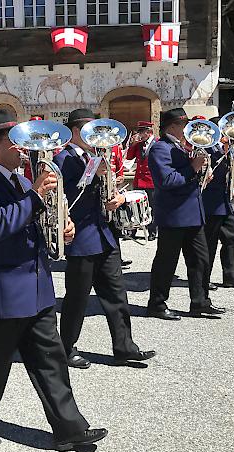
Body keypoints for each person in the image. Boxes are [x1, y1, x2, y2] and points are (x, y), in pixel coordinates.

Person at [0, 110, 107, 451]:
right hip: (7, 291)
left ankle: (69, 428)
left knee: (51, 359)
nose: (24, 149)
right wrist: (35, 197)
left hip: (38, 286)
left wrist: (61, 228)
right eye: (14, 143)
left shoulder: (23, 181)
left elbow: (35, 223)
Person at [54, 109, 155, 369]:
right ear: (76, 132)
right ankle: (65, 348)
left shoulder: (96, 157)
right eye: (90, 131)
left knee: (116, 295)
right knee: (77, 298)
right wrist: (94, 175)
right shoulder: (64, 159)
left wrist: (117, 197)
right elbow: (67, 196)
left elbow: (104, 191)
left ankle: (124, 347)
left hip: (105, 235)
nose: (96, 138)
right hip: (82, 238)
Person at [147, 108, 225, 320]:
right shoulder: (160, 149)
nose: (187, 130)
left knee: (200, 259)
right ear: (172, 126)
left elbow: (187, 177)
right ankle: (157, 304)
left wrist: (200, 174)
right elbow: (167, 181)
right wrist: (193, 168)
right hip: (174, 216)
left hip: (192, 214)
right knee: (166, 262)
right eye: (184, 125)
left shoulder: (180, 147)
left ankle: (200, 302)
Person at [202, 135, 234, 289]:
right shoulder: (207, 147)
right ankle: (203, 278)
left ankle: (231, 275)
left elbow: (233, 169)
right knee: (209, 243)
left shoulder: (230, 148)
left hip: (224, 200)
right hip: (210, 200)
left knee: (232, 238)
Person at [126, 120, 158, 240]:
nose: (139, 134)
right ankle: (133, 230)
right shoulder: (139, 144)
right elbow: (129, 156)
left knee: (151, 207)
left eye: (141, 132)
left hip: (151, 181)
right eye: (139, 132)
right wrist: (133, 144)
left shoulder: (157, 143)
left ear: (149, 132)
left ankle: (152, 231)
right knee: (135, 206)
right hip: (139, 181)